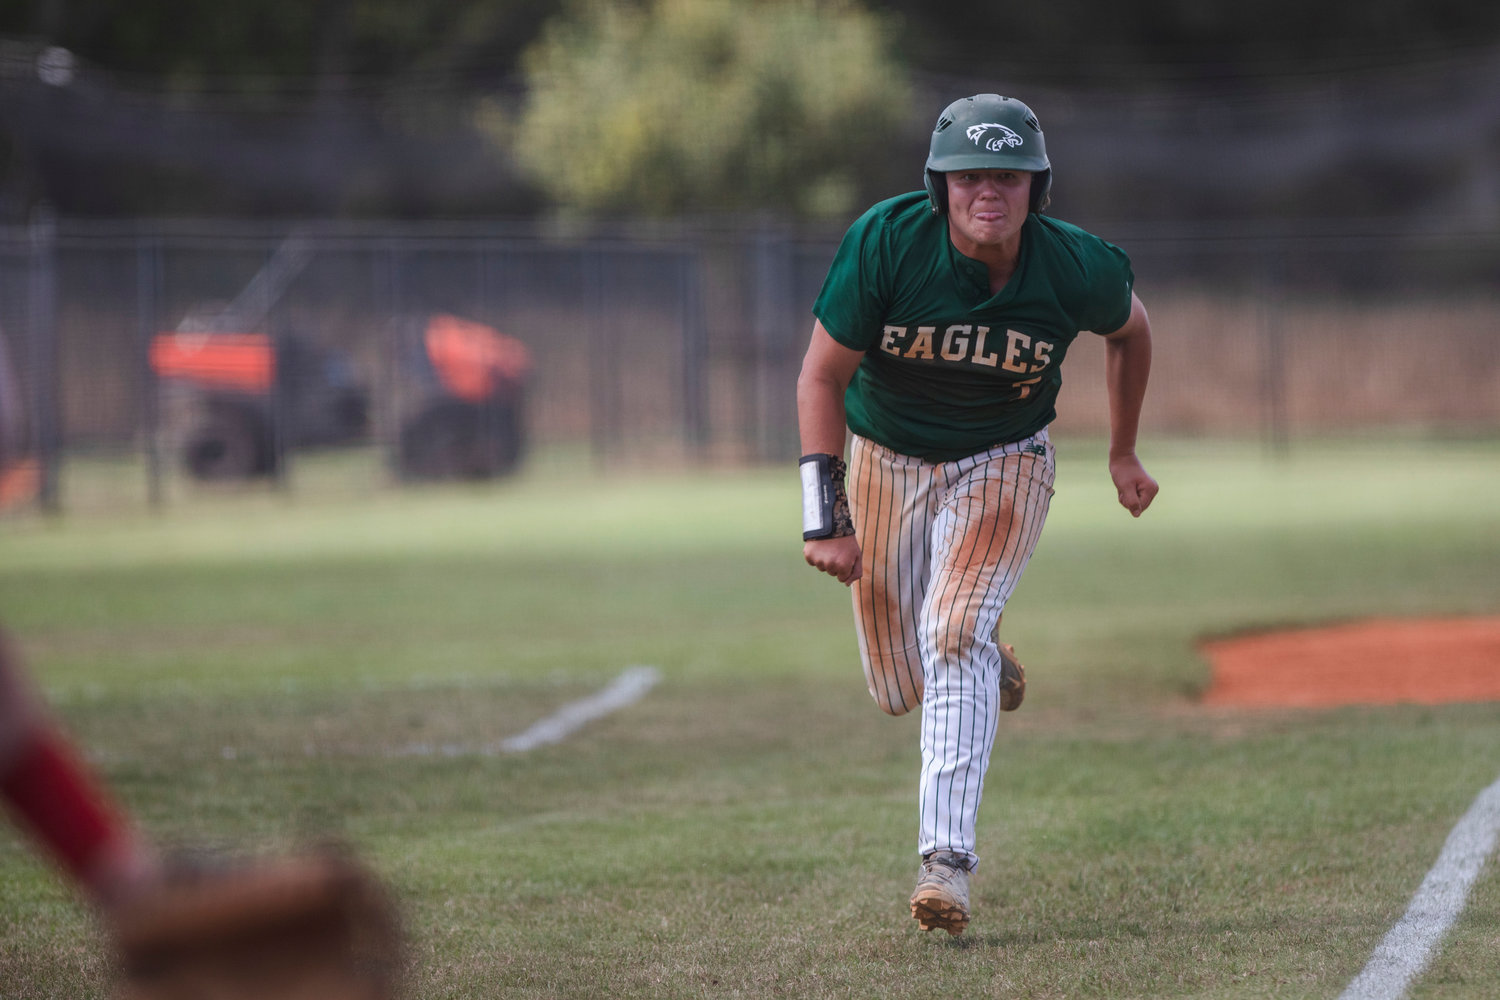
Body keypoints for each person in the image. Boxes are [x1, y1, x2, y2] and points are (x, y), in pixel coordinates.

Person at [796, 94, 1158, 936]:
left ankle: (945, 865)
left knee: (950, 627)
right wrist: (827, 515)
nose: (986, 192)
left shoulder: (1076, 265)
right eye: (969, 176)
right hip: (885, 457)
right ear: (940, 185)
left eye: (1007, 175)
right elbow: (820, 376)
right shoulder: (886, 243)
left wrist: (1123, 450)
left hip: (1006, 458)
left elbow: (1132, 333)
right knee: (898, 687)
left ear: (1038, 187)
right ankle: (989, 659)